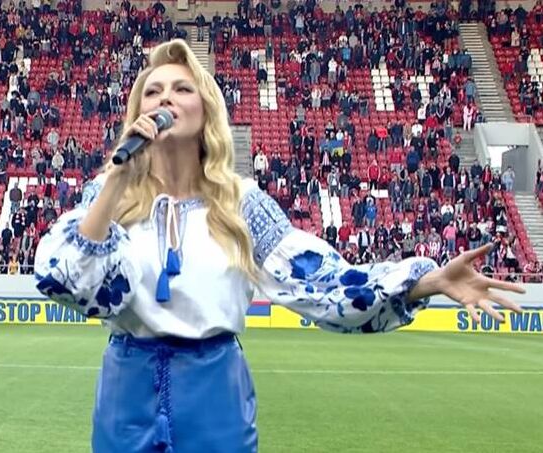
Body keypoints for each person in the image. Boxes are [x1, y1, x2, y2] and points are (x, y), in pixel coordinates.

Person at [34, 40, 524, 453]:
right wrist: (117, 179)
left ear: (206, 108)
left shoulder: (241, 203)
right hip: (127, 393)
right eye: (153, 90)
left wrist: (427, 281)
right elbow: (67, 280)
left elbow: (324, 283)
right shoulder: (110, 195)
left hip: (214, 392)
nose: (166, 98)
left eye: (182, 88)